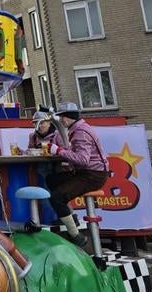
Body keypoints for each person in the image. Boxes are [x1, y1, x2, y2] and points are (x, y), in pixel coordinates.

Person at [43, 102, 109, 246]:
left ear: (68, 117)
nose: (60, 120)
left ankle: (76, 236)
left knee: (56, 197)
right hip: (87, 172)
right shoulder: (79, 128)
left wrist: (59, 151)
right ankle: (71, 216)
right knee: (51, 180)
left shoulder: (80, 133)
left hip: (93, 175)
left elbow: (83, 160)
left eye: (61, 117)